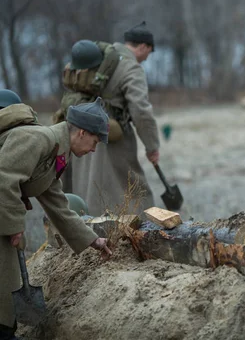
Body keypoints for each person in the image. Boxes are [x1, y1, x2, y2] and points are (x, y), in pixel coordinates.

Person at [0, 97, 112, 340]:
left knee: (7, 277)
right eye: (94, 141)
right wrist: (15, 226)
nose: (94, 149)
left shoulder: (56, 153)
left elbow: (57, 204)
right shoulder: (37, 139)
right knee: (5, 273)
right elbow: (4, 179)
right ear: (82, 132)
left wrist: (93, 240)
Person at [69, 22, 161, 215]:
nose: (146, 58)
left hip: (80, 131)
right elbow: (141, 110)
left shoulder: (101, 58)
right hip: (111, 136)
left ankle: (86, 229)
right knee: (131, 190)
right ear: (143, 47)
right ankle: (138, 231)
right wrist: (152, 146)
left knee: (86, 185)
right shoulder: (131, 68)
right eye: (149, 52)